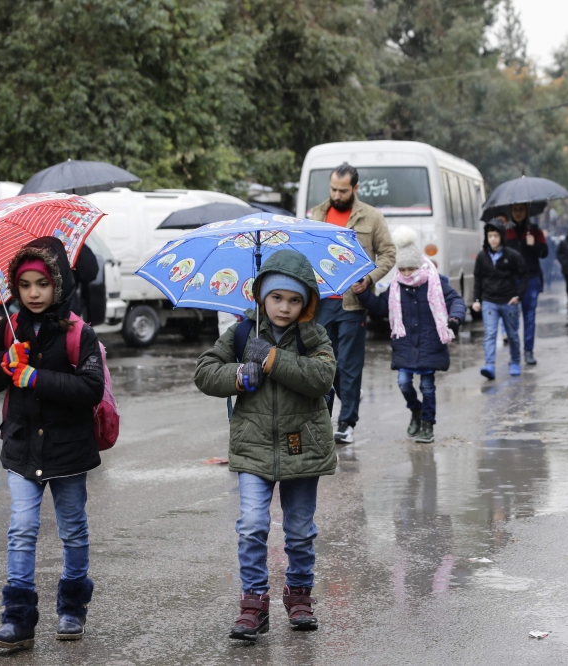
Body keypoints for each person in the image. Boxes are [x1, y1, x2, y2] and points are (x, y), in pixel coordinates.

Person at [194, 249, 336, 641]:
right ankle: (253, 602)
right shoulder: (242, 331)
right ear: (261, 296)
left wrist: (273, 359)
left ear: (306, 303)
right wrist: (239, 374)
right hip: (254, 446)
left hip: (302, 446)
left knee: (300, 529)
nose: (284, 308)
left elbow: (322, 377)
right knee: (253, 525)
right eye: (276, 298)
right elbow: (205, 372)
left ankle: (299, 595)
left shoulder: (313, 335)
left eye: (294, 300)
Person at [0, 237, 105, 651]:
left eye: (42, 284)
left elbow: (91, 387)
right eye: (25, 284)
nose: (33, 293)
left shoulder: (78, 332)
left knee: (73, 531)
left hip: (69, 449)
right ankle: (17, 620)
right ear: (15, 286)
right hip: (22, 447)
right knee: (22, 530)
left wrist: (34, 377)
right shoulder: (6, 328)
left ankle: (71, 608)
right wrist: (4, 362)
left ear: (58, 285)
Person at [309, 162, 396, 444]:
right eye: (333, 189)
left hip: (352, 302)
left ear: (355, 188)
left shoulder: (371, 217)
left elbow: (388, 254)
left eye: (342, 190)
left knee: (349, 364)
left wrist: (368, 279)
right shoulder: (317, 214)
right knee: (325, 363)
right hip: (321, 301)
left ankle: (347, 422)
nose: (337, 195)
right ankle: (326, 417)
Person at [356, 226, 466, 443]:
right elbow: (380, 307)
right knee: (404, 383)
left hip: (430, 343)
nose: (407, 274)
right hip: (405, 345)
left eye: (411, 269)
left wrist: (454, 319)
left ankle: (428, 424)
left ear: (419, 264)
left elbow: (456, 300)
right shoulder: (396, 286)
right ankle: (416, 411)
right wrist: (362, 294)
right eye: (403, 269)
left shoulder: (436, 282)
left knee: (427, 386)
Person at [472, 219, 528, 379]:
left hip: (509, 301)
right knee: (490, 333)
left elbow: (524, 274)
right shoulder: (482, 257)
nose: (493, 239)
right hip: (489, 301)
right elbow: (478, 278)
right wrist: (476, 299)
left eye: (496, 235)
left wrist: (519, 296)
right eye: (490, 236)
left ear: (501, 236)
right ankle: (489, 365)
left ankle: (515, 361)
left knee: (512, 334)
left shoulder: (512, 256)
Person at [503, 203, 548, 365]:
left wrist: (533, 244)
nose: (518, 213)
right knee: (512, 319)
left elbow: (544, 253)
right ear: (511, 212)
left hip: (531, 279)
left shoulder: (535, 230)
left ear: (526, 211)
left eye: (521, 209)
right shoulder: (506, 231)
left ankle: (529, 351)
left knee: (529, 316)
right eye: (515, 210)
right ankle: (514, 354)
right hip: (512, 281)